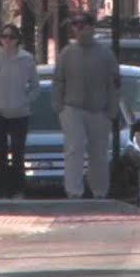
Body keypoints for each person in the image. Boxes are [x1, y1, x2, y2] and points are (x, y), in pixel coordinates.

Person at [52, 11, 120, 200]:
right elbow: (58, 81)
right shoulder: (66, 54)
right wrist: (59, 106)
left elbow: (114, 84)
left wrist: (112, 110)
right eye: (75, 26)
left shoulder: (106, 54)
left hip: (99, 111)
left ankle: (99, 193)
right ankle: (74, 192)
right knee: (75, 149)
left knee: (98, 154)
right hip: (73, 109)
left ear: (91, 27)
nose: (78, 29)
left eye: (81, 25)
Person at [0, 23, 40, 198]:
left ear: (17, 39)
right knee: (1, 153)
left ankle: (18, 189)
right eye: (4, 37)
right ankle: (3, 190)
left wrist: (24, 100)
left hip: (20, 114)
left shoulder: (26, 59)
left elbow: (35, 86)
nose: (7, 40)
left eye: (11, 37)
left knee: (18, 153)